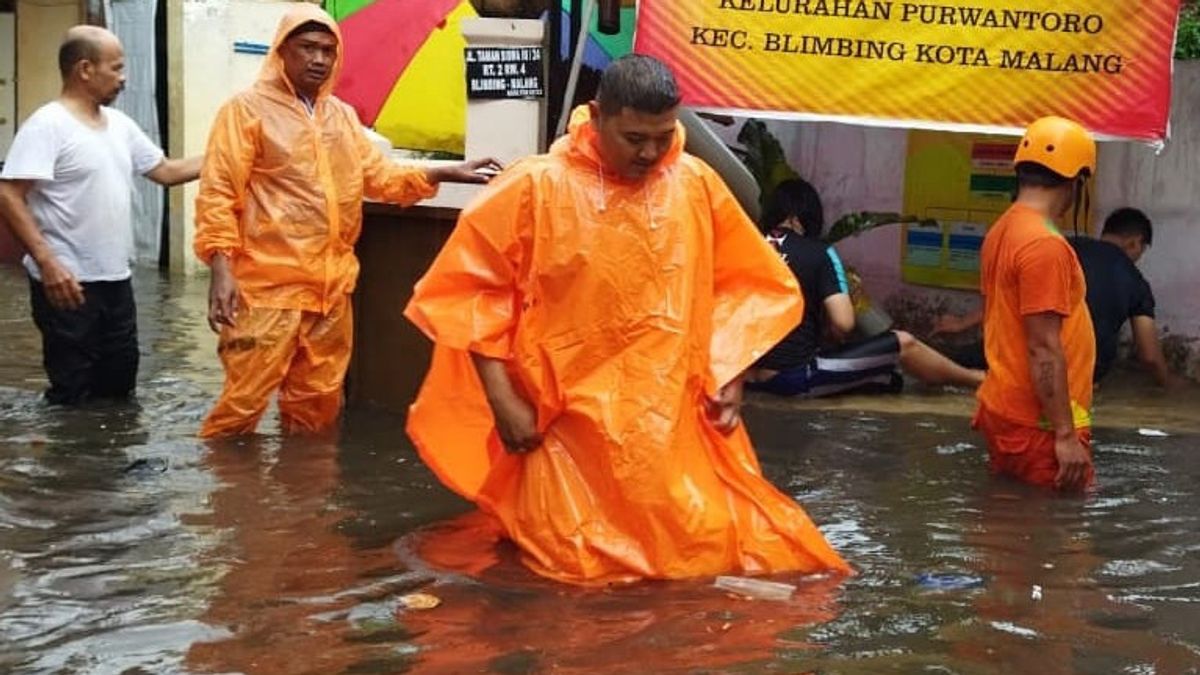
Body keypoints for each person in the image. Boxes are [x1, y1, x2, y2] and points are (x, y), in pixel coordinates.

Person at [403, 55, 850, 584]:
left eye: (664, 136)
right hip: (563, 417)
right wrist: (502, 400)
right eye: (635, 137)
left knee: (698, 556)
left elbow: (746, 283)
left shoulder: (695, 183)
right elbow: (472, 292)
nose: (651, 152)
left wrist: (730, 373)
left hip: (669, 413)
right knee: (568, 570)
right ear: (596, 115)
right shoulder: (535, 187)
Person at [193, 5, 498, 438]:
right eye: (307, 48)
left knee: (318, 408)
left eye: (328, 50)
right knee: (240, 407)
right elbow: (219, 192)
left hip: (332, 291)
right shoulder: (245, 111)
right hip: (265, 289)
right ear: (282, 51)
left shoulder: (341, 117)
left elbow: (380, 177)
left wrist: (441, 172)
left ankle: (304, 495)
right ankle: (227, 499)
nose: (319, 59)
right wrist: (220, 269)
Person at [0, 26, 201, 405]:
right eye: (117, 68)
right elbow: (9, 194)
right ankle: (72, 459)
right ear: (85, 69)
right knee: (73, 392)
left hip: (116, 280)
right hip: (66, 282)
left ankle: (107, 461)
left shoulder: (120, 126)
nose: (124, 78)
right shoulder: (48, 125)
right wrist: (48, 263)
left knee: (120, 384)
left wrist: (236, 154)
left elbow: (167, 172)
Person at [745, 178, 985, 397]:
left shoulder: (746, 245)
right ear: (801, 217)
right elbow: (844, 323)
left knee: (887, 380)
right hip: (792, 378)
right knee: (902, 343)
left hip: (745, 378)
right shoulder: (819, 252)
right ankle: (976, 379)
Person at [973, 116, 1097, 492]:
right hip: (1041, 424)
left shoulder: (1004, 228)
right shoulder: (1044, 245)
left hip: (1006, 410)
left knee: (1013, 523)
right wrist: (1064, 435)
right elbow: (1042, 345)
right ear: (1076, 179)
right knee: (1065, 537)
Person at [934, 207, 1184, 388]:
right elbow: (1150, 356)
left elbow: (1013, 293)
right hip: (1085, 374)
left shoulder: (1063, 247)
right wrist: (1169, 384)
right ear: (1135, 242)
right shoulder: (1137, 282)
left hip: (1022, 355)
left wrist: (961, 323)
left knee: (942, 363)